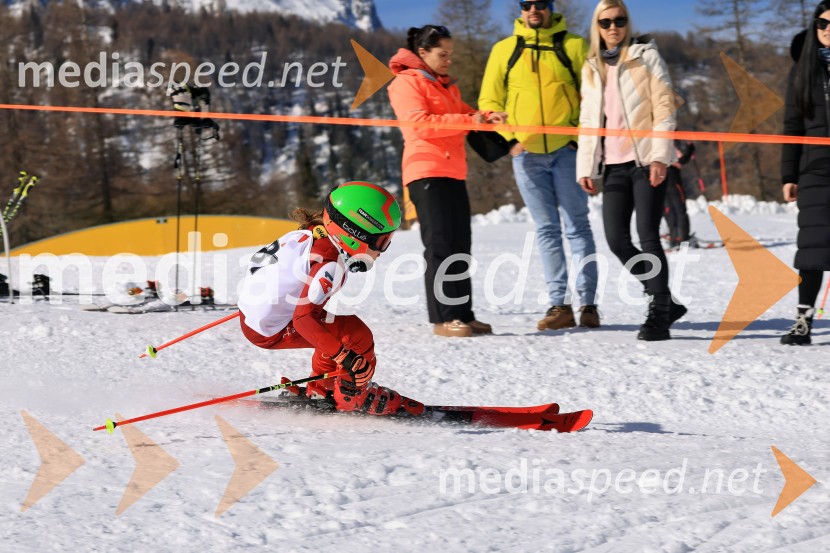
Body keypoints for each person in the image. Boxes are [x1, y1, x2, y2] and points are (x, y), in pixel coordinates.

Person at [237, 182, 423, 416]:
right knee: (355, 334)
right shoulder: (330, 264)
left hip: (254, 313)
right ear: (356, 235)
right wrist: (344, 356)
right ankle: (353, 396)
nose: (380, 252)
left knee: (334, 329)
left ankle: (322, 388)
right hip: (270, 329)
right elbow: (304, 320)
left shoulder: (312, 233)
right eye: (382, 242)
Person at [479, 0, 600, 332]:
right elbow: (489, 102)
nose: (534, 9)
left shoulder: (574, 45)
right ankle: (559, 305)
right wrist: (511, 141)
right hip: (527, 156)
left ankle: (589, 304)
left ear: (550, 8)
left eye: (541, 3)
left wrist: (579, 140)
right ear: (521, 9)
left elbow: (593, 95)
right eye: (527, 3)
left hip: (568, 152)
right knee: (547, 229)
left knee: (578, 226)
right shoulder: (504, 50)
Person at [576, 0, 686, 341]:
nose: (613, 27)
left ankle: (659, 311)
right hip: (613, 165)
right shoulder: (592, 66)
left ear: (627, 23)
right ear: (597, 26)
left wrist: (659, 157)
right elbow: (587, 120)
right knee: (617, 240)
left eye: (619, 20)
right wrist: (586, 165)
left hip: (643, 161)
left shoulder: (645, 56)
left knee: (648, 236)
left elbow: (665, 107)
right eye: (606, 21)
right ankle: (664, 297)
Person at [388, 25, 505, 338]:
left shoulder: (445, 86)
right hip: (426, 172)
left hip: (454, 172)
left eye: (451, 54)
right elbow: (420, 125)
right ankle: (444, 318)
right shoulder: (406, 83)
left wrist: (485, 116)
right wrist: (469, 121)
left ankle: (463, 314)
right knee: (439, 245)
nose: (448, 60)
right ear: (423, 53)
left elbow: (464, 113)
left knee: (459, 244)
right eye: (443, 54)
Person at [780, 5, 830, 346]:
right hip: (814, 169)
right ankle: (803, 322)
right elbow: (791, 127)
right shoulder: (801, 71)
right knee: (812, 248)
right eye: (823, 23)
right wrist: (788, 174)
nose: (828, 29)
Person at [663, 141, 695, 250]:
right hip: (673, 177)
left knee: (669, 210)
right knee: (680, 209)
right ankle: (683, 238)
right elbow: (683, 159)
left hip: (661, 176)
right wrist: (690, 148)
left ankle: (674, 238)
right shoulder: (673, 140)